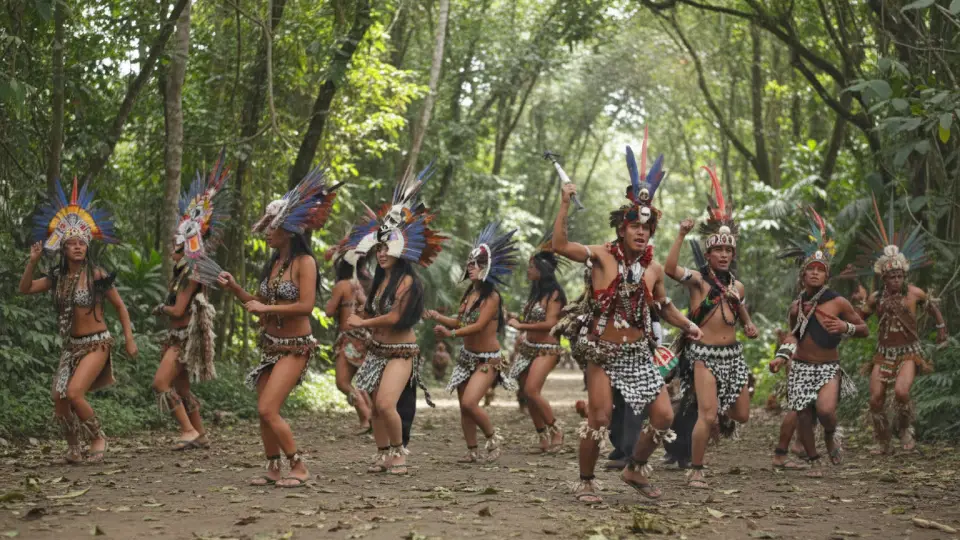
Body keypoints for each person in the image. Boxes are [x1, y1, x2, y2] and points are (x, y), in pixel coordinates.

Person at [550, 130, 702, 503]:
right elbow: (559, 246)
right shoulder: (602, 255)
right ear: (622, 229)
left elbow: (663, 307)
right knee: (599, 419)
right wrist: (565, 204)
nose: (641, 232)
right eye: (635, 226)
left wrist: (687, 325)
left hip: (638, 352)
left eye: (646, 228)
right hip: (602, 348)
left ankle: (635, 467)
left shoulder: (652, 269)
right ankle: (586, 481)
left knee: (664, 416)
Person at [218, 166, 339, 487]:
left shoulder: (305, 263)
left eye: (271, 226)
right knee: (262, 411)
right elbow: (257, 305)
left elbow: (306, 306)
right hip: (271, 345)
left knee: (268, 408)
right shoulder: (272, 265)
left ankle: (298, 466)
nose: (266, 231)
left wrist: (266, 306)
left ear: (288, 229)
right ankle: (273, 468)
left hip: (296, 347)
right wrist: (234, 288)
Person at [20, 178, 138, 464]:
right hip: (71, 346)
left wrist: (129, 339)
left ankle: (98, 437)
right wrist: (33, 261)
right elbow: (25, 289)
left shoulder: (96, 275)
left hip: (97, 343)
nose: (77, 247)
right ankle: (73, 450)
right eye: (71, 243)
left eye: (81, 243)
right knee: (59, 400)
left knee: (74, 393)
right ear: (63, 248)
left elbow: (121, 307)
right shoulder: (57, 277)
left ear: (87, 246)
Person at [347, 163, 446, 475]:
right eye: (379, 247)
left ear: (401, 250)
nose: (381, 253)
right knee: (375, 406)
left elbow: (394, 317)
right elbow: (375, 311)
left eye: (387, 246)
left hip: (401, 353)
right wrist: (358, 312)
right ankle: (382, 453)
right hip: (377, 352)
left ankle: (400, 452)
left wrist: (362, 323)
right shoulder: (379, 282)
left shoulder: (408, 283)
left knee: (387, 404)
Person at [662, 166, 757, 488]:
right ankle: (697, 470)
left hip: (733, 354)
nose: (724, 254)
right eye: (718, 249)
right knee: (706, 413)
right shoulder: (699, 281)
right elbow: (671, 269)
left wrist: (749, 324)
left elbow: (742, 319)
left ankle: (714, 421)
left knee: (742, 414)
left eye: (729, 250)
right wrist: (680, 235)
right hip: (703, 355)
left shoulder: (739, 287)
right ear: (709, 252)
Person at [769, 208, 867, 476]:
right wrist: (781, 357)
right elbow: (794, 336)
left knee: (825, 411)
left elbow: (864, 328)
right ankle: (814, 460)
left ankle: (830, 434)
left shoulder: (838, 302)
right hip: (801, 367)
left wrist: (845, 326)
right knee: (801, 414)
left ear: (827, 276)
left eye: (819, 270)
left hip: (828, 368)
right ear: (803, 276)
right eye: (810, 270)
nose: (814, 274)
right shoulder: (796, 306)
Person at [851, 196, 947, 453]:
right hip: (883, 355)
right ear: (884, 278)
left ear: (904, 275)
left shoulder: (914, 293)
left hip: (908, 353)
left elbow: (933, 306)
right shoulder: (877, 297)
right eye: (890, 276)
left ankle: (905, 429)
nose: (895, 279)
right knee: (875, 400)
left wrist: (941, 329)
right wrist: (859, 304)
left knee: (902, 393)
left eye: (898, 275)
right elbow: (861, 322)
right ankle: (884, 443)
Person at [153, 152, 230, 451]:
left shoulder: (194, 270)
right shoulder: (186, 268)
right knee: (182, 389)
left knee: (161, 384)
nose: (173, 240)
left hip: (184, 338)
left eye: (178, 238)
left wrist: (161, 308)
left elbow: (179, 308)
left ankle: (187, 430)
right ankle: (200, 434)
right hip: (178, 335)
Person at [428, 222, 519, 463]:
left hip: (488, 360)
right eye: (470, 263)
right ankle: (472, 450)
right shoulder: (470, 294)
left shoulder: (493, 296)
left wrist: (451, 335)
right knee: (463, 406)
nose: (472, 267)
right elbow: (461, 321)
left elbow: (478, 326)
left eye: (477, 264)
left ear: (488, 267)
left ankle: (493, 439)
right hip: (467, 357)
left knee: (470, 402)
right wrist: (441, 319)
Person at [507, 236, 568, 454]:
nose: (528, 270)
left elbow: (552, 323)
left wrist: (521, 325)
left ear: (542, 269)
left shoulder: (555, 294)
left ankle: (556, 430)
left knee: (532, 390)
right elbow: (531, 320)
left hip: (547, 349)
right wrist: (515, 319)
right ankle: (542, 436)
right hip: (528, 348)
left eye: (531, 267)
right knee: (525, 391)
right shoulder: (535, 294)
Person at [324, 238, 374, 433]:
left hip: (349, 337)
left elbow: (328, 311)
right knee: (362, 382)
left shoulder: (343, 285)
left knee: (343, 382)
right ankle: (369, 419)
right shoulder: (368, 282)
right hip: (367, 336)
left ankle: (365, 415)